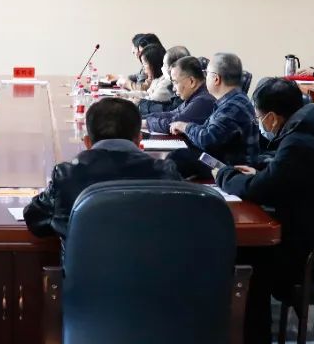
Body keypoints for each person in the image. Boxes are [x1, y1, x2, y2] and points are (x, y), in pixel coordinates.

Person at [216, 77, 314, 344]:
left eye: (259, 117)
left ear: (272, 117)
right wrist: (262, 171)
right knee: (248, 254)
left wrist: (224, 176)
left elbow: (260, 190)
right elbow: (284, 175)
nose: (260, 124)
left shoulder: (300, 143)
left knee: (247, 259)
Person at [24, 97, 180, 239]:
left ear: (87, 142)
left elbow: (35, 220)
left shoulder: (67, 176)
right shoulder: (165, 173)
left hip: (86, 262)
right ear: (139, 140)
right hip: (152, 262)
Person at [169, 52, 259, 174]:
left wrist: (184, 126)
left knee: (179, 158)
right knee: (180, 154)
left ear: (216, 79)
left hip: (231, 170)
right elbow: (208, 130)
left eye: (207, 74)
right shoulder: (231, 101)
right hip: (223, 162)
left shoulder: (234, 106)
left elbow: (207, 139)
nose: (204, 78)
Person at [145, 55, 217, 135]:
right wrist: (142, 119)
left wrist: (147, 123)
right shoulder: (195, 96)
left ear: (191, 81)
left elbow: (172, 124)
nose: (173, 89)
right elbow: (172, 114)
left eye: (175, 82)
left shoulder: (203, 100)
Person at [137, 43, 173, 115]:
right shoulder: (156, 80)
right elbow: (146, 94)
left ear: (154, 64)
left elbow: (151, 100)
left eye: (145, 64)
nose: (143, 68)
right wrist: (125, 95)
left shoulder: (166, 82)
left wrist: (137, 101)